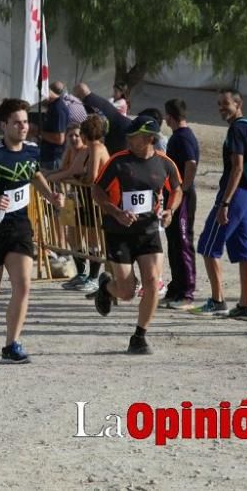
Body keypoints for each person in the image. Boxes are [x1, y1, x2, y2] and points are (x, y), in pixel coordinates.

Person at [0, 98, 64, 363]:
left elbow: (34, 174)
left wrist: (51, 196)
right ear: (4, 125)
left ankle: (11, 345)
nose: (23, 127)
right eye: (17, 122)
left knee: (23, 286)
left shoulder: (31, 150)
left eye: (26, 122)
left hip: (19, 227)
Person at [91, 116, 182, 354]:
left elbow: (177, 189)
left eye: (135, 137)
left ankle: (139, 336)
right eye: (129, 137)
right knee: (127, 292)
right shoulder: (117, 162)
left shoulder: (165, 163)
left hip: (149, 231)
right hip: (119, 232)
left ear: (150, 139)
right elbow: (97, 190)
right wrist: (116, 212)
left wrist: (170, 211)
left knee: (152, 282)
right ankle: (107, 288)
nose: (129, 140)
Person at [194, 89, 247, 320]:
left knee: (208, 246)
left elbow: (238, 167)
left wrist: (225, 203)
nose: (221, 107)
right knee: (243, 250)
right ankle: (244, 306)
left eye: (226, 103)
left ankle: (218, 301)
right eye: (219, 104)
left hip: (235, 194)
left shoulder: (237, 129)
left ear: (238, 104)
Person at [51, 116, 110, 292]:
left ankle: (93, 277)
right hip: (81, 198)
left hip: (95, 200)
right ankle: (82, 274)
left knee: (93, 240)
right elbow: (72, 171)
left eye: (80, 134)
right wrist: (48, 178)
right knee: (73, 236)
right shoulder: (86, 150)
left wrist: (74, 178)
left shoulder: (98, 148)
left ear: (85, 134)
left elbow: (91, 177)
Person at [162, 98, 200, 310]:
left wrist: (184, 187)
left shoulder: (184, 137)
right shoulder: (177, 136)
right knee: (174, 242)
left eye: (166, 115)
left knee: (184, 242)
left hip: (183, 197)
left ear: (170, 115)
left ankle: (187, 292)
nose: (165, 119)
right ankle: (176, 288)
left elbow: (191, 163)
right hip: (173, 196)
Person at [72, 82, 132, 155]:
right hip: (124, 126)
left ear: (79, 94)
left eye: (75, 95)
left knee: (114, 157)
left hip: (118, 131)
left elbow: (94, 125)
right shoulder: (94, 99)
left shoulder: (88, 104)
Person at [39, 81, 70, 172]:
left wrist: (39, 132)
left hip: (53, 158)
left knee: (52, 184)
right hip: (48, 156)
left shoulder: (58, 109)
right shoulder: (53, 106)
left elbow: (59, 139)